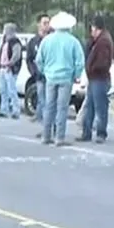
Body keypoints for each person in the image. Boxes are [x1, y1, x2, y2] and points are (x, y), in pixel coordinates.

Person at [36, 11, 85, 147]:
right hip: (66, 78)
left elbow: (39, 60)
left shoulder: (47, 40)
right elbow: (80, 62)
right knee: (62, 108)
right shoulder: (73, 41)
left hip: (50, 77)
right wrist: (76, 75)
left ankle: (46, 136)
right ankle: (59, 138)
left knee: (49, 106)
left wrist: (45, 71)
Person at [77, 15, 114, 144]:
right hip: (94, 78)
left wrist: (91, 68)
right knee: (90, 106)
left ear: (96, 27)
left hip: (99, 77)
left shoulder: (103, 42)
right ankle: (87, 132)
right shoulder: (98, 41)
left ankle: (100, 133)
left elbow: (103, 62)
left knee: (100, 107)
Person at [26, 14, 51, 125]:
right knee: (42, 100)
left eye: (48, 23)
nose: (47, 26)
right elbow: (29, 59)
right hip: (40, 77)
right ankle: (44, 125)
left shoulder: (52, 39)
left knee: (49, 102)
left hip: (51, 76)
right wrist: (34, 72)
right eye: (44, 23)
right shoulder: (33, 42)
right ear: (39, 24)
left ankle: (47, 125)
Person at [0, 23, 23, 119]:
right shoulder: (5, 41)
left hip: (10, 69)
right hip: (3, 68)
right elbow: (2, 54)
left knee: (12, 90)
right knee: (3, 90)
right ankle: (4, 109)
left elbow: (16, 55)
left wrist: (10, 64)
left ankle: (16, 110)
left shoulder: (15, 42)